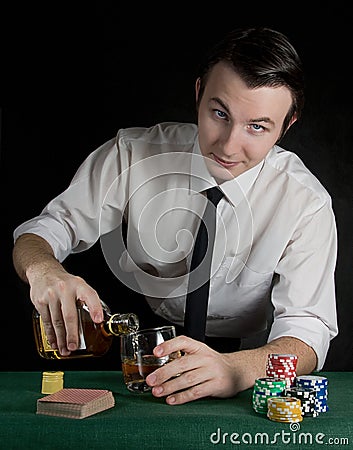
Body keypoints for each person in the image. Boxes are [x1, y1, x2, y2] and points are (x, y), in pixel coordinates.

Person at [12, 26, 338, 405]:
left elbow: (308, 329)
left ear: (287, 125)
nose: (229, 146)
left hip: (237, 362)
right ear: (198, 93)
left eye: (257, 127)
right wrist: (44, 271)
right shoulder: (133, 153)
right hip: (126, 348)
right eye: (219, 113)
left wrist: (239, 370)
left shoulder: (306, 202)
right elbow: (42, 232)